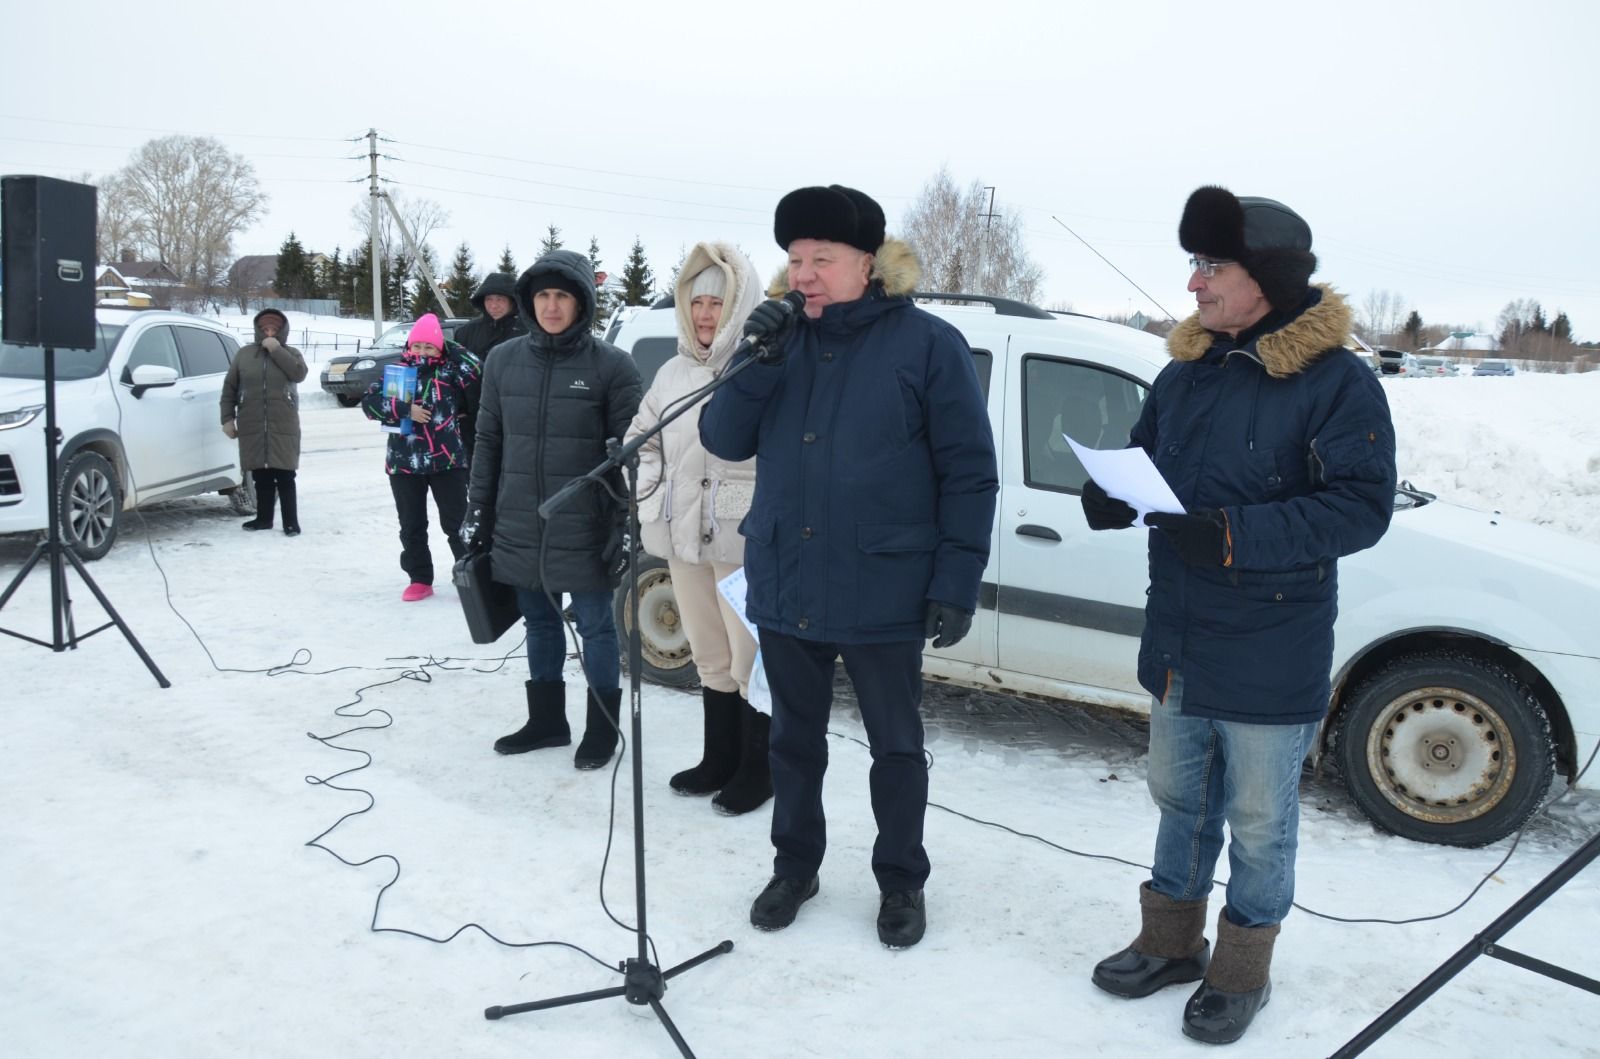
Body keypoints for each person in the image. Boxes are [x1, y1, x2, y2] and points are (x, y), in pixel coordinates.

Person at [1083, 186, 1397, 1045]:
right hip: (1180, 638)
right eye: (1194, 264)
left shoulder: (1338, 382)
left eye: (1211, 265)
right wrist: (1111, 490)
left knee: (1259, 824)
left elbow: (1359, 508)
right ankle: (1169, 944)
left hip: (1272, 645)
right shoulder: (1186, 371)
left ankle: (1239, 971)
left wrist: (1227, 533)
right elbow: (1147, 458)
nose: (1194, 285)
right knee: (1179, 801)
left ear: (1266, 277)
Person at [699, 185, 998, 949]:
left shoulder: (928, 346)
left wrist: (955, 580)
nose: (803, 273)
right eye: (794, 259)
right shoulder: (776, 341)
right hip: (787, 577)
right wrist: (756, 359)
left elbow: (969, 473)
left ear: (868, 263)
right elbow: (724, 438)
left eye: (821, 259)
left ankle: (901, 879)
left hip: (885, 586)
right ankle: (794, 866)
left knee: (896, 747)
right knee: (792, 742)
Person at [462, 250, 642, 769]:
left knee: (596, 627)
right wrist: (478, 512)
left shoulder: (613, 366)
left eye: (563, 295)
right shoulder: (503, 360)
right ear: (528, 301)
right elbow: (488, 441)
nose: (552, 305)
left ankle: (602, 730)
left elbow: (632, 456)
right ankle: (547, 722)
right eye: (542, 295)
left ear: (582, 301)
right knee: (538, 623)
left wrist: (626, 525)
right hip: (518, 519)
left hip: (585, 524)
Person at [625, 242, 768, 815]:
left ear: (738, 306)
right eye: (698, 301)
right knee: (709, 654)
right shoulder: (672, 372)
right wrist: (651, 497)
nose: (706, 314)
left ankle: (760, 769)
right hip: (682, 539)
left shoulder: (758, 366)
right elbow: (644, 439)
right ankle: (720, 759)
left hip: (742, 542)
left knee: (750, 657)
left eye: (718, 302)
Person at [360, 313, 481, 602]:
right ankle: (419, 578)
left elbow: (476, 367)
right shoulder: (396, 372)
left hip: (447, 461)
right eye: (417, 346)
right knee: (412, 524)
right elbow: (369, 404)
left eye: (430, 347)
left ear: (440, 348)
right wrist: (404, 409)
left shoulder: (451, 371)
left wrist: (450, 346)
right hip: (404, 463)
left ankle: (470, 575)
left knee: (456, 523)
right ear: (409, 347)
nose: (422, 353)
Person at [221, 307, 308, 535]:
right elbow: (229, 388)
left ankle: (291, 523)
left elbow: (298, 374)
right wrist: (227, 418)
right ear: (258, 331)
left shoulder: (291, 353)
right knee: (260, 475)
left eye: (274, 329)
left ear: (282, 331)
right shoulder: (244, 355)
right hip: (252, 421)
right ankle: (263, 519)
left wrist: (277, 351)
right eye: (265, 329)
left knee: (286, 475)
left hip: (283, 422)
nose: (269, 333)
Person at [450, 272, 526, 459]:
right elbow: (453, 372)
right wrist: (458, 407)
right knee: (478, 473)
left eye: (500, 299)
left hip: (515, 416)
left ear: (512, 300)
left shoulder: (528, 332)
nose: (493, 305)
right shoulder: (466, 333)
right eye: (489, 299)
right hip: (474, 417)